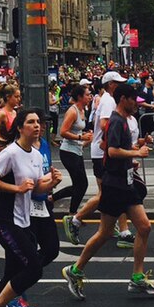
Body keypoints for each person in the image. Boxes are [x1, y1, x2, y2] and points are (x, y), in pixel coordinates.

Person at [61, 83, 154, 301]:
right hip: (115, 185)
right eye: (133, 99)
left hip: (126, 181)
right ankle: (74, 271)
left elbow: (111, 150)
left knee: (144, 227)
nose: (136, 104)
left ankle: (137, 277)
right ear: (123, 99)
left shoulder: (122, 121)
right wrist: (136, 153)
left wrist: (132, 157)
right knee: (104, 233)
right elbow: (111, 150)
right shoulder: (116, 121)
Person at [0, 109, 62, 307]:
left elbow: (35, 189)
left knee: (12, 272)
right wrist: (15, 189)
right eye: (31, 122)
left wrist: (51, 183)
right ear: (19, 127)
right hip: (5, 220)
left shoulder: (35, 155)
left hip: (24, 219)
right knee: (34, 268)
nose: (37, 126)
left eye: (38, 122)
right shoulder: (10, 153)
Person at [64, 71, 134, 248]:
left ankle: (122, 231)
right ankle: (76, 219)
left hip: (104, 151)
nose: (120, 86)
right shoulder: (109, 100)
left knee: (118, 191)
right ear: (110, 84)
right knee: (106, 192)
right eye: (117, 83)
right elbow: (104, 124)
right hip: (103, 153)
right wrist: (119, 140)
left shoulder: (108, 99)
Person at [52, 85, 93, 215]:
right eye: (87, 94)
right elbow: (63, 132)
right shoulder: (73, 111)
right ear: (80, 97)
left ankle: (52, 199)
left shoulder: (83, 110)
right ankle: (72, 214)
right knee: (81, 184)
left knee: (80, 184)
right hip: (68, 152)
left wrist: (86, 138)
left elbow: (78, 130)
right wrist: (80, 137)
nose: (90, 97)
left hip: (77, 150)